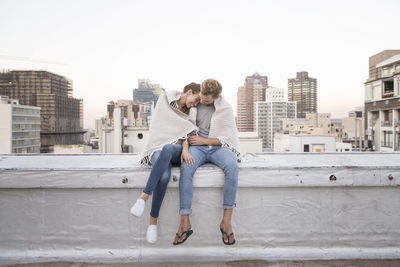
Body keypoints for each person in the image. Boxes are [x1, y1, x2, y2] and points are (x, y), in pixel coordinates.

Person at [130, 82, 201, 244]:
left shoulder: (192, 112)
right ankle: (152, 223)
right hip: (156, 147)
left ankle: (143, 197)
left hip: (176, 151)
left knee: (168, 148)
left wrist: (184, 148)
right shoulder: (165, 99)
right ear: (189, 92)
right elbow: (159, 127)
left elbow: (189, 132)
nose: (195, 104)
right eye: (195, 99)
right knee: (164, 176)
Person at [173, 79, 240, 246]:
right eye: (202, 96)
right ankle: (184, 222)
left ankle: (226, 221)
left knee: (232, 166)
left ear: (216, 97)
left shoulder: (225, 108)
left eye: (207, 100)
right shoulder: (195, 104)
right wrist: (187, 147)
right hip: (197, 148)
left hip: (217, 147)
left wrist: (204, 140)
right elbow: (184, 128)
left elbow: (228, 138)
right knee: (186, 168)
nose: (202, 100)